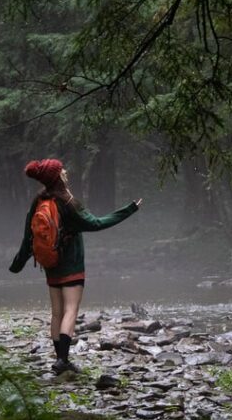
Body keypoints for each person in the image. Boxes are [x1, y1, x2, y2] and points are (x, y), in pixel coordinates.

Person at [9, 158, 141, 375]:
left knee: (56, 313)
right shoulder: (68, 202)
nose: (65, 172)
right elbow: (97, 223)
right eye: (62, 170)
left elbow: (28, 238)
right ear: (57, 177)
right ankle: (63, 361)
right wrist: (129, 209)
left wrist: (17, 264)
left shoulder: (38, 202)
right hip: (72, 264)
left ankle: (60, 359)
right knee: (71, 310)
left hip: (50, 265)